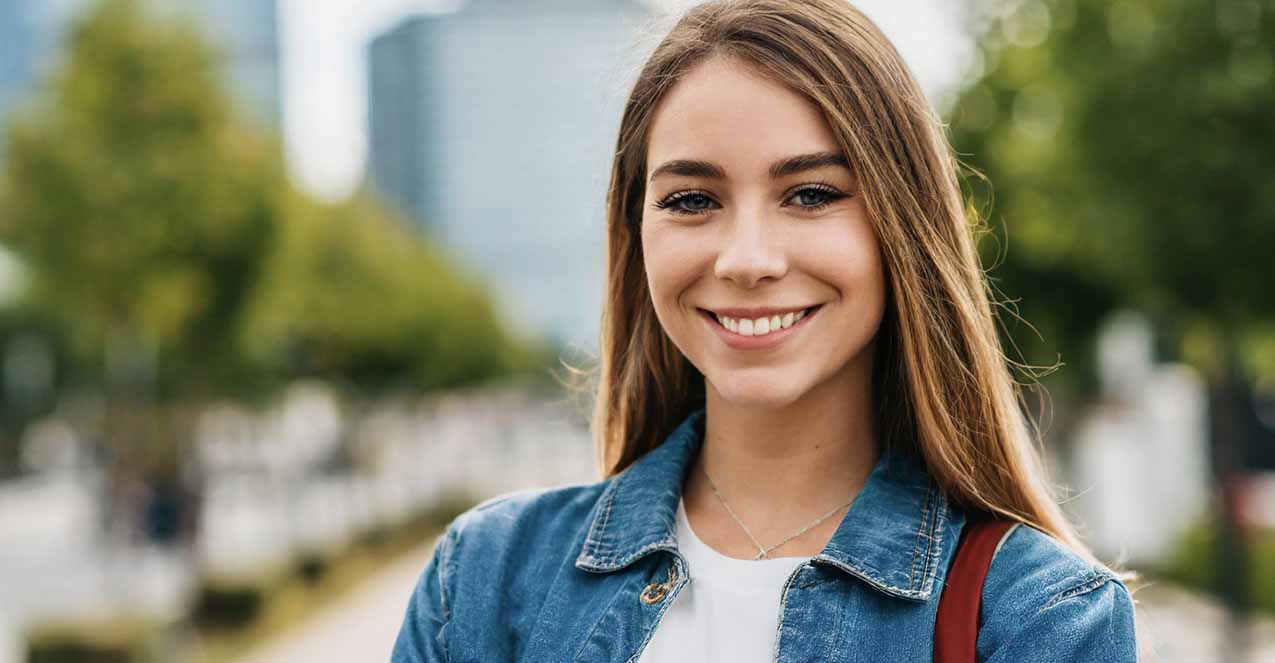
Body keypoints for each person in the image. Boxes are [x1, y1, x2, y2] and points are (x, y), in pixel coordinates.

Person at [391, 1, 1140, 661]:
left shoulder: (1039, 620)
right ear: (636, 232)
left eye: (810, 193)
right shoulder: (483, 582)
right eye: (691, 199)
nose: (746, 258)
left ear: (901, 226)